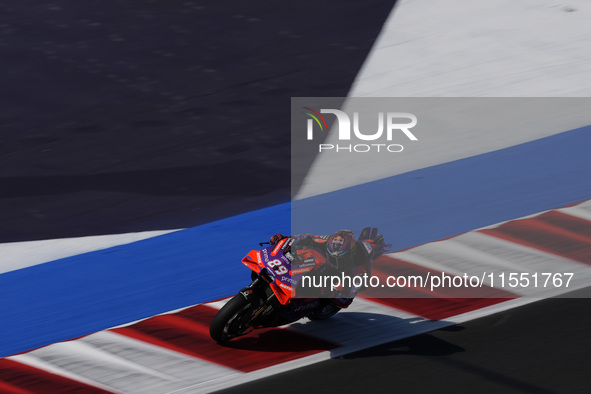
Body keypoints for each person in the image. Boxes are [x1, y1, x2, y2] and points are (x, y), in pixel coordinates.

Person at [269, 228, 390, 310]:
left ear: (349, 254)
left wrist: (332, 293)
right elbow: (307, 237)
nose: (336, 262)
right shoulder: (326, 240)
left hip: (343, 275)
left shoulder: (359, 270)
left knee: (325, 293)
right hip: (324, 265)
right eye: (332, 257)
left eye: (340, 259)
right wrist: (285, 238)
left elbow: (347, 300)